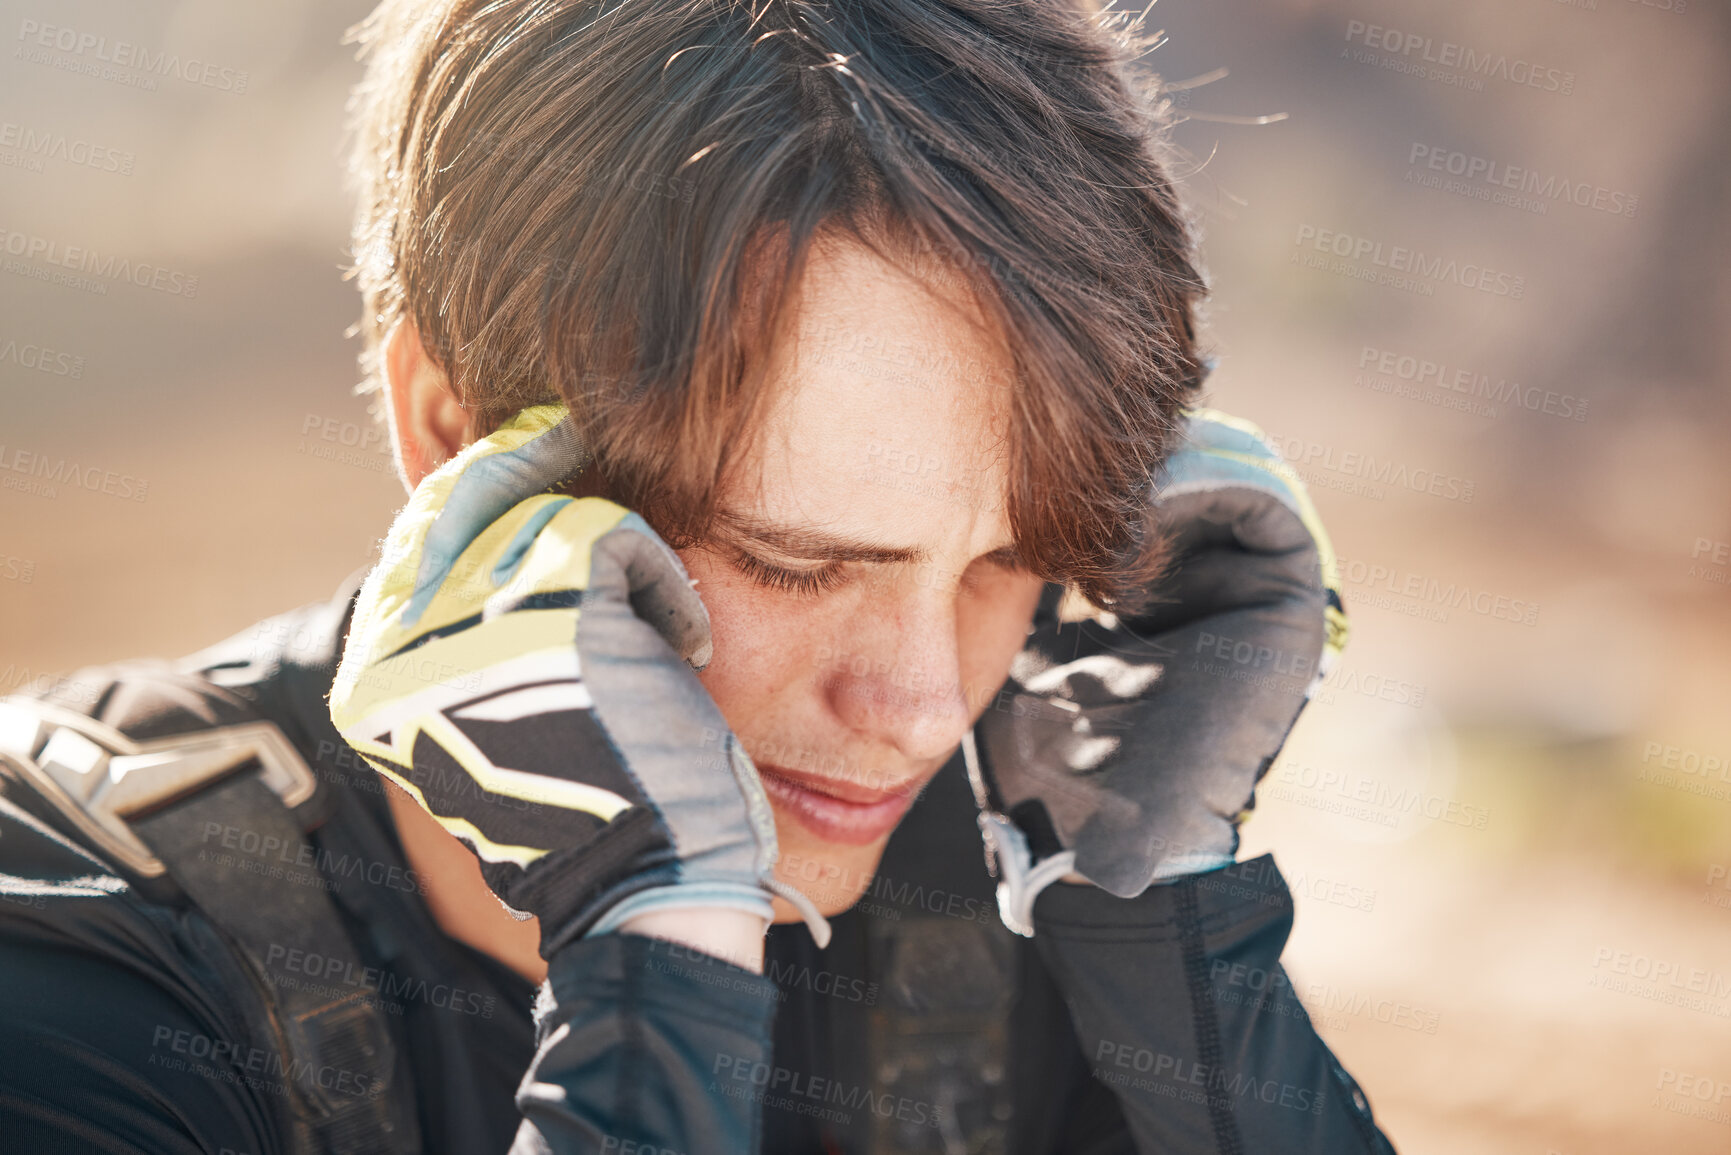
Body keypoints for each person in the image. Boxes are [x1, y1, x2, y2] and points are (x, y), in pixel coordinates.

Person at [0, 0, 1394, 1152]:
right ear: (448, 427)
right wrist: (658, 948)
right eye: (796, 564)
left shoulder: (1028, 883)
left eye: (1007, 566)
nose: (917, 710)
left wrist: (1174, 948)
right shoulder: (66, 947)